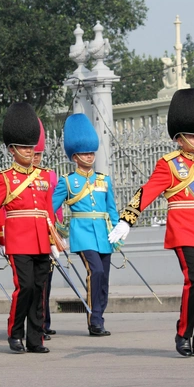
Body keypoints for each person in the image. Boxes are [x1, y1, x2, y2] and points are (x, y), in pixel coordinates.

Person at [109, 89, 194, 357]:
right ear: (179, 138)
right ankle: (183, 334)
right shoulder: (169, 165)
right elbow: (148, 191)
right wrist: (127, 220)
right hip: (185, 230)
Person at [0, 103, 61, 354]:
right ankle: (15, 331)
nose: (28, 151)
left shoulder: (43, 176)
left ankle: (36, 338)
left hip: (42, 240)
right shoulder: (4, 178)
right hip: (19, 240)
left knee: (40, 289)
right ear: (12, 149)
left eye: (30, 146)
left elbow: (47, 212)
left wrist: (54, 241)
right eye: (22, 147)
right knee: (26, 287)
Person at [53, 114, 119, 337]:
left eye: (91, 152)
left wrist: (118, 231)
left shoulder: (104, 179)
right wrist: (57, 231)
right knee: (96, 272)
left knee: (104, 279)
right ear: (74, 156)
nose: (89, 157)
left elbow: (111, 209)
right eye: (84, 153)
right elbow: (49, 207)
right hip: (82, 235)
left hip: (104, 234)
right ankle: (94, 319)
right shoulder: (68, 181)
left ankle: (100, 314)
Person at [32, 120, 60, 339]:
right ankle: (34, 323)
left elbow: (54, 207)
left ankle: (44, 321)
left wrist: (56, 234)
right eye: (33, 153)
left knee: (45, 282)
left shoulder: (49, 175)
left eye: (39, 154)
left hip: (46, 233)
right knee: (29, 284)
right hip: (24, 235)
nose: (36, 158)